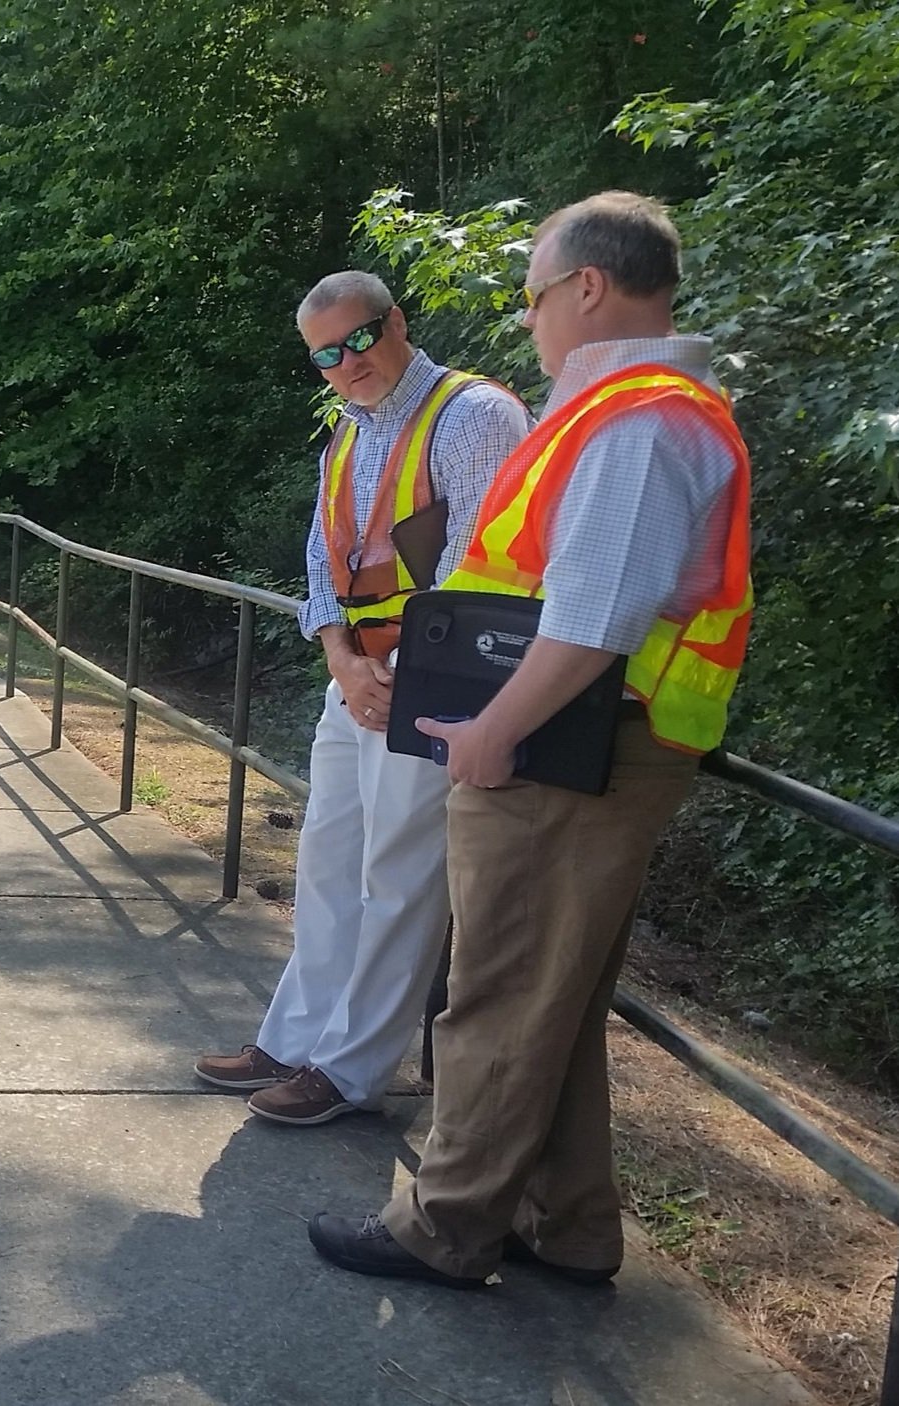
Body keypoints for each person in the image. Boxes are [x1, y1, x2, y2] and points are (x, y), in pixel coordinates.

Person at [307, 192, 754, 1289]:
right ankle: (567, 1223)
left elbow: (593, 614)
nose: (527, 320)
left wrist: (490, 732)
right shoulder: (621, 412)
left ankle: (444, 1225)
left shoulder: (636, 420)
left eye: (533, 296)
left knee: (498, 989)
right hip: (587, 736)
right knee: (551, 996)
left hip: (574, 743)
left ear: (587, 288)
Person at [194, 272, 529, 1126]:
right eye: (326, 357)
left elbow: (481, 567)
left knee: (400, 875)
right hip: (358, 682)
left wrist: (399, 675)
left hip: (432, 686)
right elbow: (321, 559)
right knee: (331, 859)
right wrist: (342, 659)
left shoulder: (475, 415)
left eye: (360, 339)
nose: (348, 365)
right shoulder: (347, 431)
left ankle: (347, 1071)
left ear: (396, 322)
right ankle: (296, 1037)